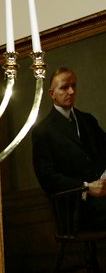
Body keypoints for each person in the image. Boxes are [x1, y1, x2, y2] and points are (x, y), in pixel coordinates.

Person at [32, 67, 106, 230]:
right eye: (64, 87)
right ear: (52, 94)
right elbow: (47, 178)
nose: (71, 91)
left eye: (73, 86)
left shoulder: (87, 120)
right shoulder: (43, 131)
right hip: (73, 207)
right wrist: (86, 186)